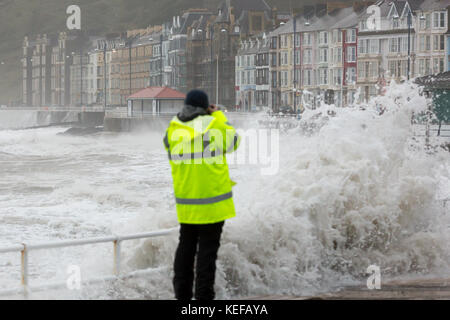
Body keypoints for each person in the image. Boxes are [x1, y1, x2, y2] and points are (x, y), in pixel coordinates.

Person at [163, 89, 241, 300]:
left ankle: (182, 298)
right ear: (206, 106)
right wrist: (217, 114)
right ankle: (204, 301)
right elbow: (234, 141)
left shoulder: (173, 128)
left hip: (187, 204)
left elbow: (167, 145)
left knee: (185, 252)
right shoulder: (214, 124)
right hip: (213, 204)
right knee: (207, 256)